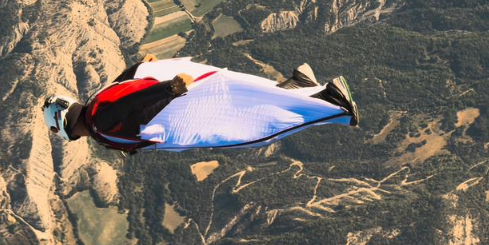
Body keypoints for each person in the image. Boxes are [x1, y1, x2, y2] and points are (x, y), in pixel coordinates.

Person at [42, 56, 358, 153]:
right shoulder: (98, 103)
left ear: (67, 127)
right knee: (241, 94)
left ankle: (332, 103)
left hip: (181, 113)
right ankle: (300, 88)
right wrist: (145, 67)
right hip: (176, 103)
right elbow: (124, 86)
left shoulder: (100, 123)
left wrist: (169, 89)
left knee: (249, 129)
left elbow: (132, 105)